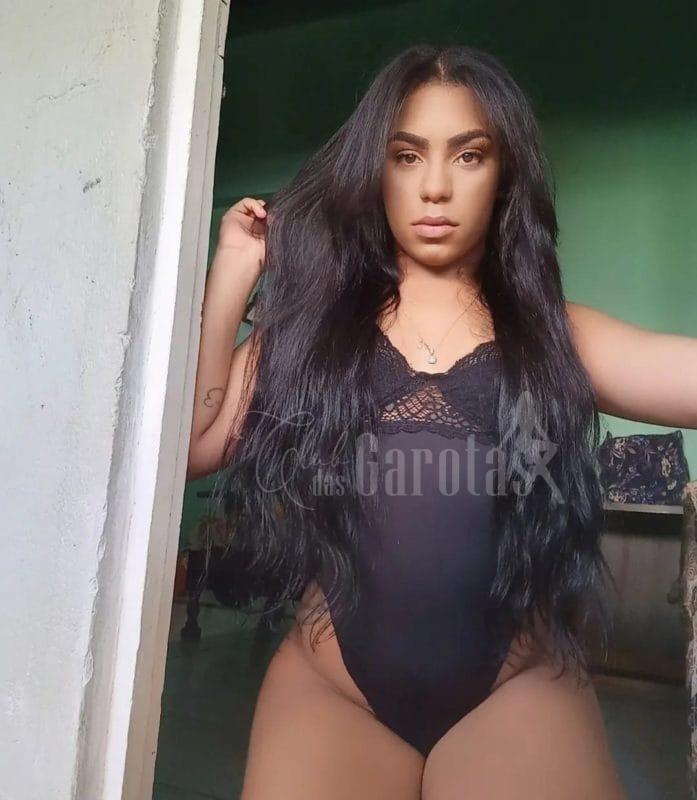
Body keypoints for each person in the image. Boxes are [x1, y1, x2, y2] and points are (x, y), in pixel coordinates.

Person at [186, 43, 697, 799]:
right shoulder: (312, 335)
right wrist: (233, 270)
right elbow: (197, 445)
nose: (433, 187)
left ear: (503, 174)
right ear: (377, 171)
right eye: (406, 156)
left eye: (467, 155)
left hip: (514, 692)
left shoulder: (555, 335)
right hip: (333, 695)